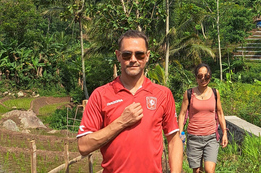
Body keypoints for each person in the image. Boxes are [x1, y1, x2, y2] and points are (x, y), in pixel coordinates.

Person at [77, 30, 183, 173]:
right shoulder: (100, 95)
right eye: (127, 54)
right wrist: (122, 122)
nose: (133, 59)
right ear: (118, 56)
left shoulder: (163, 94)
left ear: (147, 56)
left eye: (139, 54)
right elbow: (83, 146)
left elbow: (174, 140)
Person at [178, 63, 228, 173]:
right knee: (197, 171)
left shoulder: (215, 93)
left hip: (211, 137)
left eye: (206, 76)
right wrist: (180, 134)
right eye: (200, 76)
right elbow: (182, 114)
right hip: (194, 138)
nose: (203, 79)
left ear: (210, 76)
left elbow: (220, 113)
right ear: (196, 77)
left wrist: (224, 133)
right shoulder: (189, 93)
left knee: (209, 170)